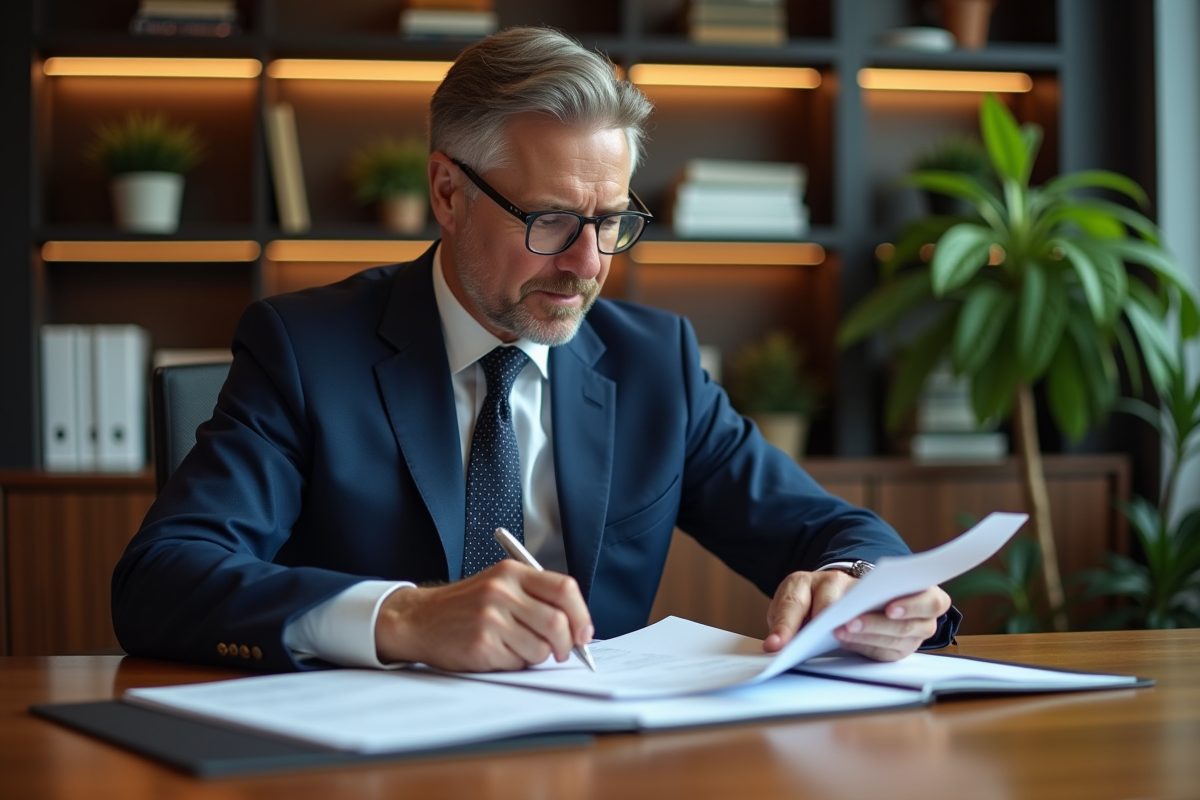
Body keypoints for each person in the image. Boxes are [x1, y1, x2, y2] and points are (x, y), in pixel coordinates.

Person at [112, 26, 957, 674]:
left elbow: (825, 526)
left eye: (611, 222)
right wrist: (401, 617)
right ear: (447, 192)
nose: (588, 265)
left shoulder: (652, 360)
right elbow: (163, 578)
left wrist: (861, 581)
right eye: (550, 220)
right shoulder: (305, 350)